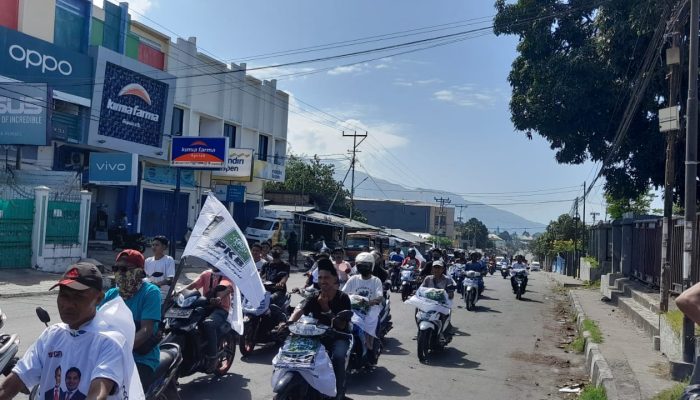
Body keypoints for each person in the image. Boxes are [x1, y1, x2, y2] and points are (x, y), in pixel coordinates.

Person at [0, 263, 128, 400]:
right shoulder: (52, 335)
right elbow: (14, 382)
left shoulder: (109, 342)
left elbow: (97, 394)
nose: (67, 304)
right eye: (64, 295)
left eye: (78, 297)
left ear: (98, 299)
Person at [289, 259, 351, 400]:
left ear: (335, 278)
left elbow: (341, 325)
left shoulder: (343, 298)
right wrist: (289, 322)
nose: (323, 281)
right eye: (320, 277)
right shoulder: (314, 295)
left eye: (327, 277)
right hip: (315, 335)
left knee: (338, 357)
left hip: (338, 336)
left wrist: (326, 308)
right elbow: (300, 309)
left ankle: (338, 392)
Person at [102, 250, 161, 392]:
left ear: (139, 272)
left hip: (141, 358)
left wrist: (119, 350)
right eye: (116, 269)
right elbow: (95, 321)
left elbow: (146, 330)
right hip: (109, 357)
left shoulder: (150, 292)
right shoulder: (112, 294)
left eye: (124, 269)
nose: (119, 273)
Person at [179, 264, 234, 373]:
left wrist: (219, 297)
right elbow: (193, 284)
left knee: (208, 324)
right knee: (186, 321)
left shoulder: (227, 276)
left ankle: (213, 358)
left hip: (220, 309)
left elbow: (227, 288)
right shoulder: (206, 274)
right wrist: (178, 293)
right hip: (205, 306)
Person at [342, 252, 384, 364]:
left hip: (371, 308)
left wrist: (372, 302)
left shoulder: (376, 280)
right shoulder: (353, 279)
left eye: (365, 266)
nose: (362, 268)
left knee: (372, 320)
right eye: (360, 266)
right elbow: (343, 293)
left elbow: (380, 296)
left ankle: (370, 346)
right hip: (355, 308)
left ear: (371, 267)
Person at [420, 260, 456, 339]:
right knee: (418, 312)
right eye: (435, 267)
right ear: (432, 269)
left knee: (444, 315)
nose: (437, 270)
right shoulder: (428, 278)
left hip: (441, 304)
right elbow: (421, 289)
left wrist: (450, 293)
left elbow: (451, 292)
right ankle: (419, 330)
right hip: (428, 303)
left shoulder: (447, 280)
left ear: (442, 269)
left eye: (439, 268)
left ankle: (442, 332)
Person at [144, 235, 176, 302]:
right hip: (149, 291)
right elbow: (146, 277)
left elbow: (170, 278)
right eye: (153, 245)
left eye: (157, 245)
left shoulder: (169, 260)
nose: (154, 247)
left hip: (163, 293)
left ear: (164, 247)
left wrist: (156, 285)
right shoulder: (148, 261)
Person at [260, 244, 291, 308]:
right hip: (265, 289)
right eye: (274, 249)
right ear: (271, 251)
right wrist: (261, 280)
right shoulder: (266, 264)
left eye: (278, 249)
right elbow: (260, 275)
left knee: (269, 299)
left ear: (282, 252)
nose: (276, 250)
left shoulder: (285, 265)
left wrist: (281, 283)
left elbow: (285, 276)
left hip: (278, 290)